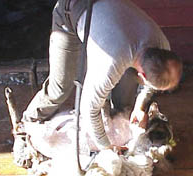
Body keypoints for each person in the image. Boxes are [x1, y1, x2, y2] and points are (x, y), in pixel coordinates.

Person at [15, 0, 182, 167]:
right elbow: (89, 109)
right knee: (59, 89)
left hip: (110, 24)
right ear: (143, 74)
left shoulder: (162, 47)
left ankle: (114, 124)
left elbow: (148, 82)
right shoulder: (111, 62)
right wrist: (106, 147)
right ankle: (25, 126)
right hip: (71, 13)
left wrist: (140, 107)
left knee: (124, 103)